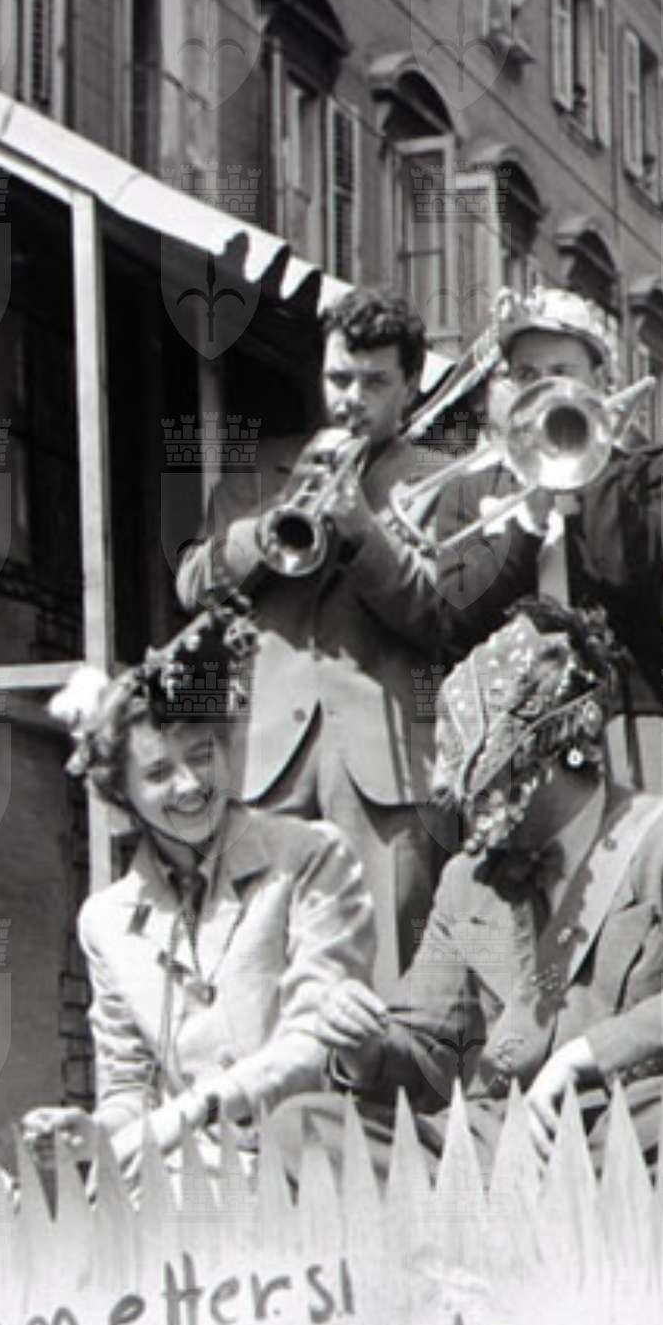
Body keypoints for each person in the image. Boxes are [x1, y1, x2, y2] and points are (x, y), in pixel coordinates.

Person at [307, 599, 663, 1170]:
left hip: (619, 1121)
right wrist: (364, 1049)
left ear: (551, 756)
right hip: (494, 1143)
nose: (466, 809)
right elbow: (425, 1045)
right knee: (301, 1130)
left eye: (489, 787)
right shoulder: (466, 881)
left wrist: (585, 1057)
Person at [175, 292, 463, 989]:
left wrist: (361, 528)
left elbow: (441, 615)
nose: (350, 400)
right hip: (266, 765)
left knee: (385, 977)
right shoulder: (260, 471)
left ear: (411, 385)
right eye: (339, 379)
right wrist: (271, 522)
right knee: (254, 972)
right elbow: (193, 585)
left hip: (385, 770)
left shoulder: (444, 479)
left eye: (374, 382)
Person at [31, 605, 372, 1175]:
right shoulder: (105, 921)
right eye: (158, 773)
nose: (189, 785)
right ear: (121, 794)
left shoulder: (310, 856)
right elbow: (129, 1089)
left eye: (201, 755)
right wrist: (93, 1134)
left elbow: (316, 1039)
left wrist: (193, 1110)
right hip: (179, 1176)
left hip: (303, 1164)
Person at [449, 288, 663, 796]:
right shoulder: (471, 488)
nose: (544, 389)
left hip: (628, 714)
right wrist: (528, 523)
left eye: (562, 372)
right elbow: (459, 617)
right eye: (526, 375)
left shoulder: (651, 475)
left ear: (600, 381)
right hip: (507, 725)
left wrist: (589, 460)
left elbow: (624, 578)